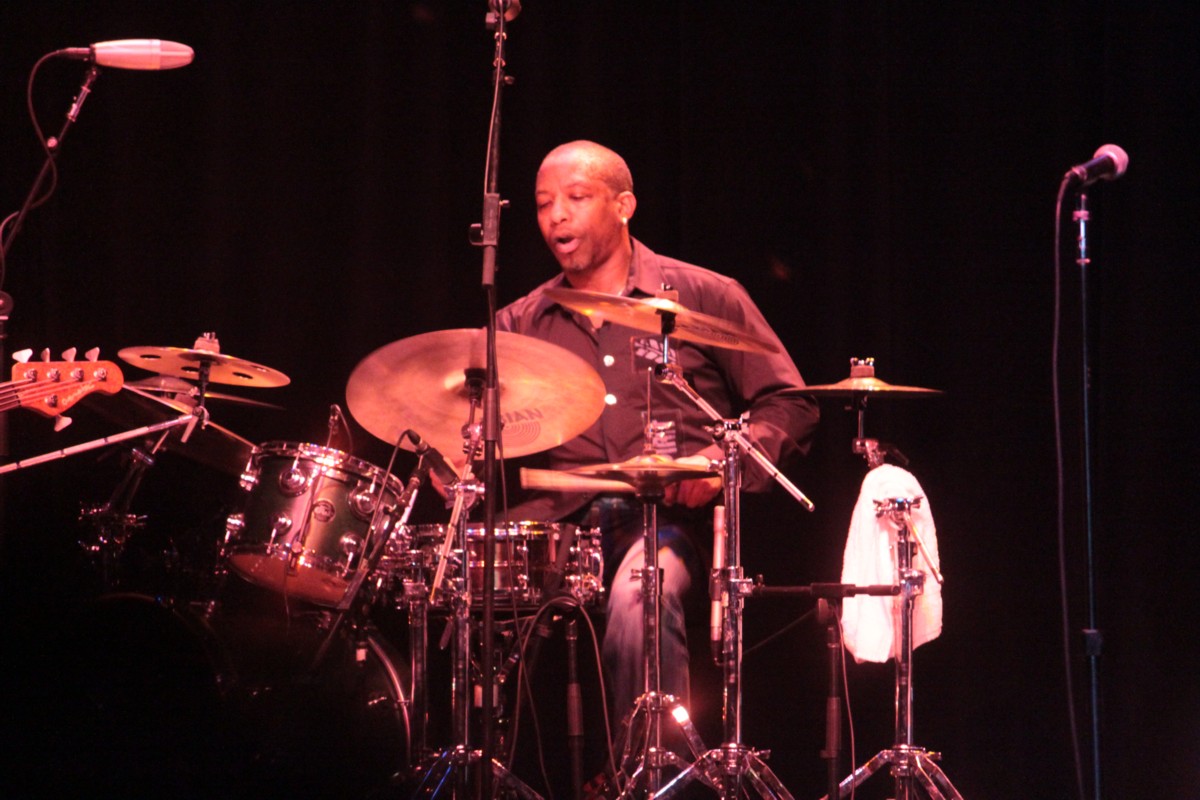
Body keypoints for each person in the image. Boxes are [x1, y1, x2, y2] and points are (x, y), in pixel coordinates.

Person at [496, 140, 819, 726]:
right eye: (543, 204)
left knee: (639, 593)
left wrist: (719, 463)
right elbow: (470, 430)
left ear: (624, 206)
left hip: (669, 522)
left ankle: (647, 767)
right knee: (468, 603)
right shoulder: (520, 323)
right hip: (557, 532)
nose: (556, 216)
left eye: (576, 197)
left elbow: (789, 405)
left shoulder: (705, 296)